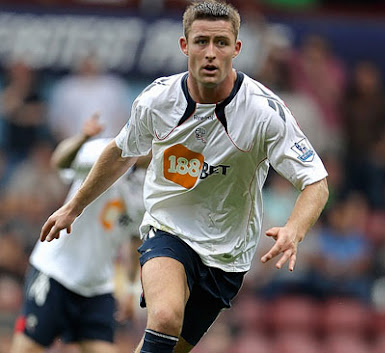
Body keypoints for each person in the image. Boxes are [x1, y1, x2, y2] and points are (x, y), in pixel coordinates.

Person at [39, 1, 329, 352]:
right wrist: (75, 206)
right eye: (201, 41)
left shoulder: (264, 112)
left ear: (236, 49)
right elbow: (120, 153)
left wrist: (293, 230)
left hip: (227, 254)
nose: (210, 53)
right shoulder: (157, 101)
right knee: (164, 317)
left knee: (167, 347)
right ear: (184, 45)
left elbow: (315, 181)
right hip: (168, 229)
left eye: (221, 43)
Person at [10, 114, 149, 353]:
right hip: (55, 272)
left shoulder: (151, 188)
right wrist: (82, 138)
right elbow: (60, 162)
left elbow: (135, 238)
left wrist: (129, 288)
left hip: (97, 285)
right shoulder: (105, 151)